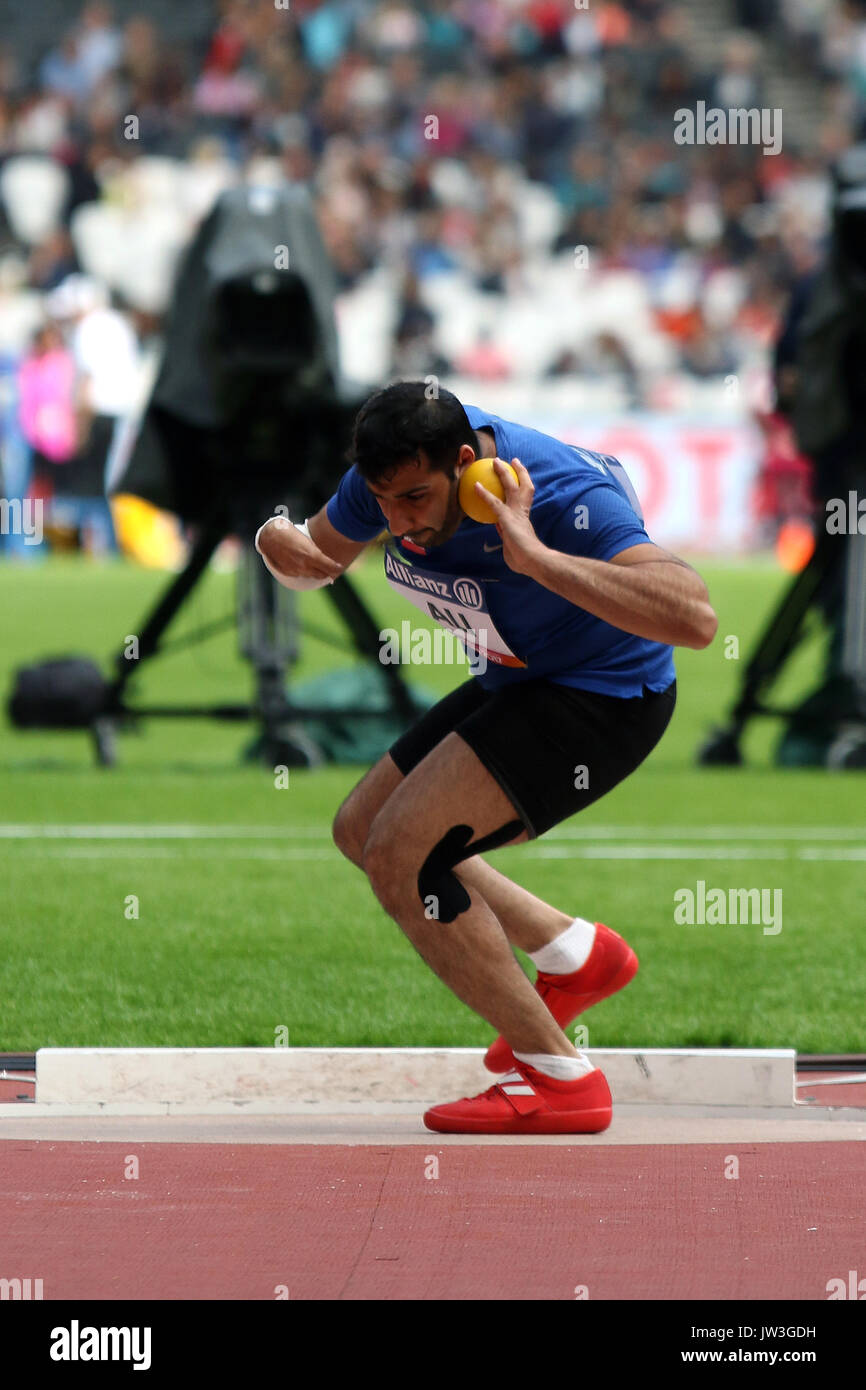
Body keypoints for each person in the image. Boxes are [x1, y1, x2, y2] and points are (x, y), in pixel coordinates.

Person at [256, 381, 717, 1134]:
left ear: (466, 464)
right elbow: (317, 558)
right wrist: (274, 542)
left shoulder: (567, 496)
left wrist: (535, 557)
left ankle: (560, 1079)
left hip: (606, 699)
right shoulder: (385, 483)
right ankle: (573, 954)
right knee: (361, 828)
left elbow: (694, 618)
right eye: (383, 502)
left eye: (414, 498)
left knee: (405, 854)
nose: (397, 521)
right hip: (520, 681)